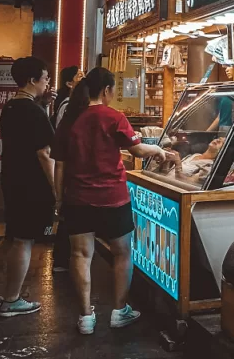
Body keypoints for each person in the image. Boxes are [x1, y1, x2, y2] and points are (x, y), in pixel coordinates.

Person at [52, 67, 166, 335]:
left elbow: (59, 165)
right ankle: (119, 311)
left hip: (78, 198)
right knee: (122, 253)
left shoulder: (70, 120)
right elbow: (137, 149)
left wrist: (58, 199)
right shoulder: (114, 117)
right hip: (113, 198)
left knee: (80, 255)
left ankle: (85, 318)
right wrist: (158, 149)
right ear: (106, 91)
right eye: (113, 91)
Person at [0, 57, 55, 316]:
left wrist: (44, 106)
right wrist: (56, 188)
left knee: (10, 237)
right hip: (31, 184)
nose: (48, 82)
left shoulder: (11, 106)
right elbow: (44, 153)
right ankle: (12, 299)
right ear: (33, 80)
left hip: (11, 179)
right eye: (45, 78)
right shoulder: (33, 111)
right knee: (24, 240)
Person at [51, 65, 83, 273]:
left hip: (70, 167)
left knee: (72, 216)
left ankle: (66, 257)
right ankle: (62, 258)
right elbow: (64, 139)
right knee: (68, 216)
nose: (84, 78)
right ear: (69, 83)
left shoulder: (76, 106)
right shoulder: (68, 106)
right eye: (79, 76)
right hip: (70, 167)